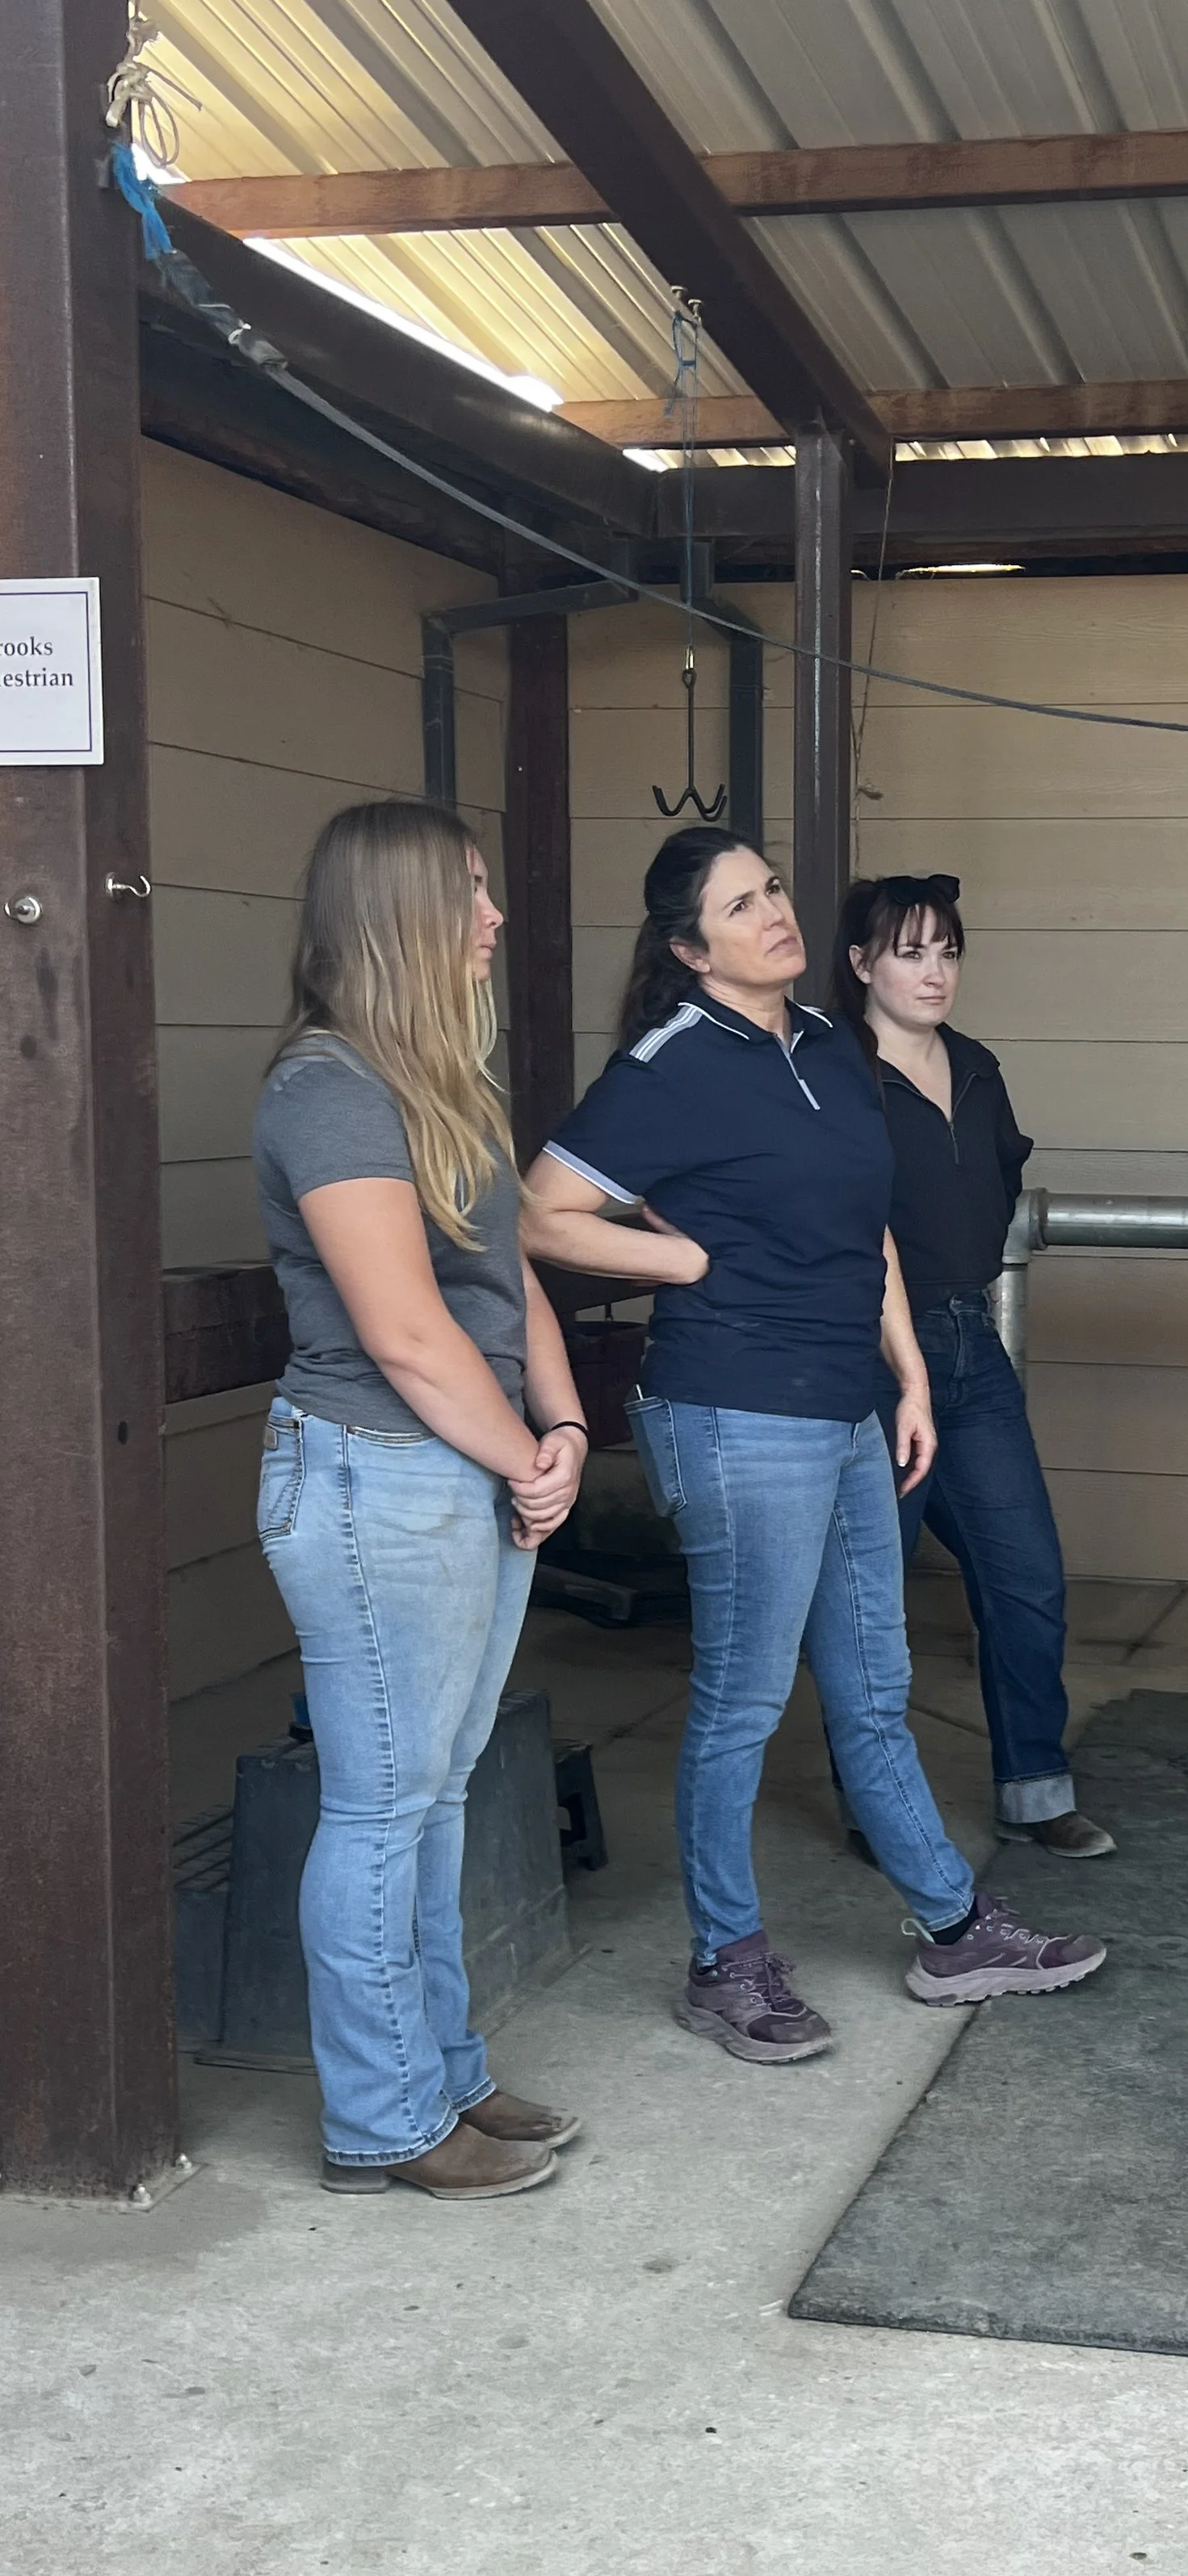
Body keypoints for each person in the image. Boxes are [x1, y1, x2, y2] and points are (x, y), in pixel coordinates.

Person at [520, 825, 1106, 2063]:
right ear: (693, 948)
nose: (774, 913)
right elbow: (544, 1211)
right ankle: (724, 1961)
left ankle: (953, 1924)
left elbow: (872, 1232)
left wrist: (907, 1373)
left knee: (873, 1688)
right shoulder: (673, 1060)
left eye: (773, 889)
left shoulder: (833, 1049)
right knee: (741, 1699)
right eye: (742, 905)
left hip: (846, 1405)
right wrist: (680, 1256)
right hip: (734, 1408)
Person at [252, 800, 589, 2201]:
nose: (495, 918)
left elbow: (508, 1286)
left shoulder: (442, 1082)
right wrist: (523, 1455)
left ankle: (445, 2070)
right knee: (384, 1806)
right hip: (375, 1472)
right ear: (396, 911)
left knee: (439, 1796)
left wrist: (561, 1425)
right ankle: (386, 2120)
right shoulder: (327, 1088)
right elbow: (402, 1329)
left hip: (462, 1465)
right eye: (469, 892)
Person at [829, 872, 1114, 1859]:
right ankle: (874, 1804)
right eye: (908, 951)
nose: (933, 969)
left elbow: (995, 1190)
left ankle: (1035, 1790)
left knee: (1025, 1574)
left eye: (946, 949)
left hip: (967, 1345)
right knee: (872, 1594)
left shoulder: (979, 1066)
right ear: (861, 964)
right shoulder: (832, 1069)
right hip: (864, 1358)